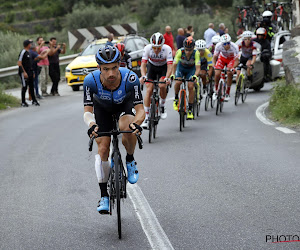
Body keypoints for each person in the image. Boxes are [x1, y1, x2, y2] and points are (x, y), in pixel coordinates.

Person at [83, 45, 145, 213]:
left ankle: (130, 159)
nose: (111, 73)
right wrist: (91, 125)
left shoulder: (130, 78)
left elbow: (140, 110)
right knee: (102, 148)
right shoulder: (90, 81)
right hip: (101, 109)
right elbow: (87, 112)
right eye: (105, 69)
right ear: (99, 68)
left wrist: (137, 123)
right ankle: (104, 195)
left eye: (114, 68)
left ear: (120, 65)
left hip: (124, 106)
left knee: (127, 128)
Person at [140, 32, 173, 127]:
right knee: (149, 89)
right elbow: (143, 65)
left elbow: (170, 66)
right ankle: (146, 117)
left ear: (162, 45)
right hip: (152, 68)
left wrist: (167, 78)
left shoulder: (167, 49)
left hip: (163, 68)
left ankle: (162, 106)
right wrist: (143, 76)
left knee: (162, 85)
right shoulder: (147, 48)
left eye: (159, 48)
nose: (156, 50)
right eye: (154, 47)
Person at [171, 36, 201, 120]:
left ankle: (190, 109)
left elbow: (198, 68)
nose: (188, 52)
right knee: (178, 82)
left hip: (191, 70)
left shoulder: (196, 53)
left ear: (193, 48)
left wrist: (195, 75)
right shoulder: (180, 51)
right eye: (186, 49)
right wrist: (173, 74)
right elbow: (174, 64)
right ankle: (176, 98)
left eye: (190, 50)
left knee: (191, 86)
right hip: (181, 68)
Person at [212, 34, 239, 101]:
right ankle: (216, 91)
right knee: (217, 73)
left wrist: (233, 67)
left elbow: (236, 60)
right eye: (224, 43)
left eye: (228, 43)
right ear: (222, 43)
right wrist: (214, 66)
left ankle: (227, 93)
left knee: (229, 73)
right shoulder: (218, 45)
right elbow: (214, 57)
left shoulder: (234, 47)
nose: (226, 45)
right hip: (222, 58)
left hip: (231, 59)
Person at [17, 40, 40, 107]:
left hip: (30, 72)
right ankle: (23, 102)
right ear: (28, 45)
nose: (31, 45)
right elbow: (19, 63)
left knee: (31, 86)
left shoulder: (29, 52)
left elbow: (30, 64)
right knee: (24, 86)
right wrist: (24, 72)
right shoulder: (23, 52)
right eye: (30, 44)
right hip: (24, 73)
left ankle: (34, 100)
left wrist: (32, 72)